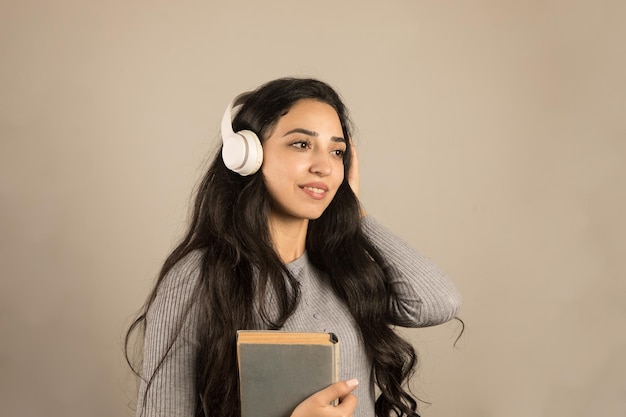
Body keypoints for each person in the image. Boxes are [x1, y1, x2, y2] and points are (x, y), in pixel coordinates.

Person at [125, 77, 462, 417]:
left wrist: (356, 213)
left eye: (337, 151)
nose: (324, 166)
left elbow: (437, 302)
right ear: (247, 155)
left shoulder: (344, 271)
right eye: (301, 144)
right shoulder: (198, 277)